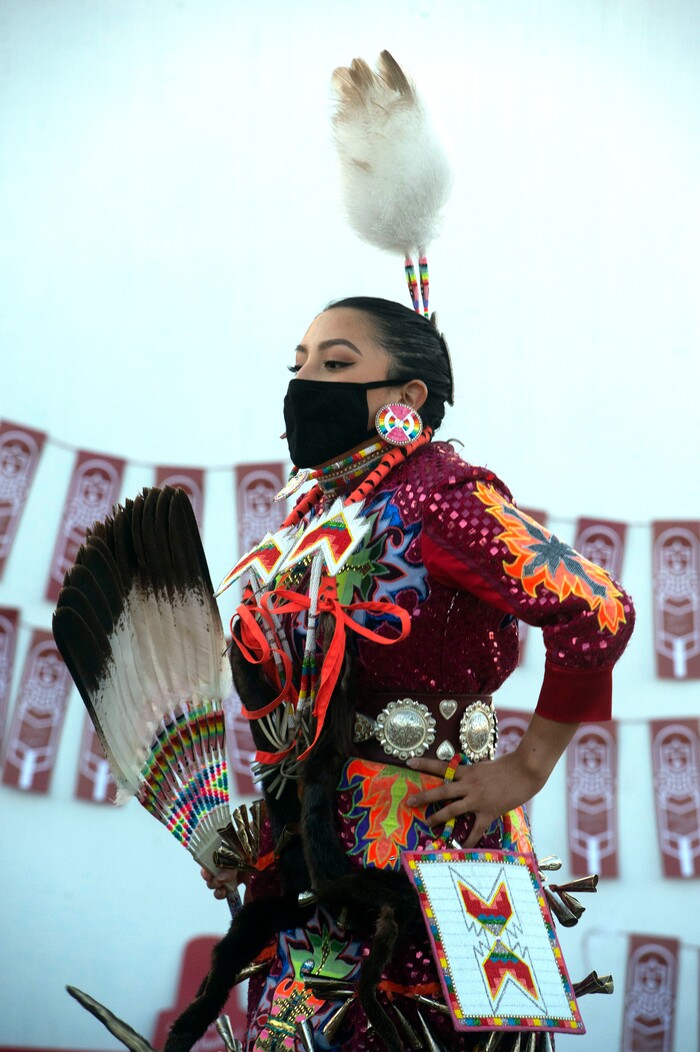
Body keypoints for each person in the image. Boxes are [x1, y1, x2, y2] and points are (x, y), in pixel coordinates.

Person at [194, 295, 635, 1052]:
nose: (306, 383)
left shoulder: (443, 496)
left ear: (407, 399)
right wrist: (266, 839)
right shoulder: (323, 513)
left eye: (336, 364)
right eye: (298, 365)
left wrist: (526, 767)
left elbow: (595, 608)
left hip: (440, 835)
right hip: (323, 841)